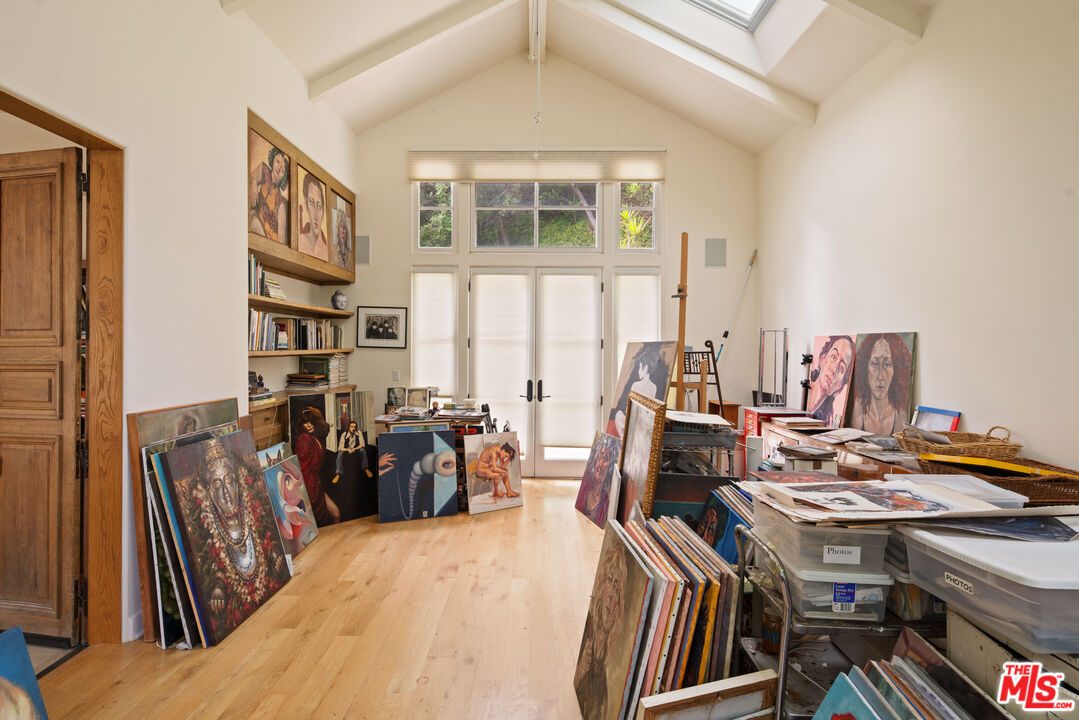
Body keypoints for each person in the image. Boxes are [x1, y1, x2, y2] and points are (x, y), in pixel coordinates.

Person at [574, 541, 628, 718]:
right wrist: (580, 671)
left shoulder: (609, 670)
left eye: (616, 588)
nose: (611, 594)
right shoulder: (588, 632)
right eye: (609, 581)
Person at [849, 333, 912, 434]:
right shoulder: (857, 410)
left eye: (887, 364)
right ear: (865, 367)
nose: (880, 376)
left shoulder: (900, 416)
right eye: (874, 364)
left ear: (896, 370)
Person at [292, 406, 340, 525]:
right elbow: (302, 470)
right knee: (318, 523)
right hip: (308, 487)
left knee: (336, 514)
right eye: (305, 422)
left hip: (316, 485)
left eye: (311, 421)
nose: (309, 425)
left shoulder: (314, 438)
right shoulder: (304, 439)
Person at [807, 336, 855, 427]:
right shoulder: (803, 395)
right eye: (833, 357)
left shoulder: (828, 421)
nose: (834, 369)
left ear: (840, 384)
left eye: (841, 368)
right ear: (823, 358)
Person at [249, 146, 288, 244]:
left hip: (268, 242)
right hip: (255, 224)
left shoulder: (281, 204)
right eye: (278, 162)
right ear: (272, 161)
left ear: (284, 176)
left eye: (283, 169)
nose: (279, 167)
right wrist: (254, 183)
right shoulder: (264, 171)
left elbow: (281, 243)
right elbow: (252, 178)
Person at [298, 173, 328, 261]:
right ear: (306, 205)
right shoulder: (299, 242)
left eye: (319, 206)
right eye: (311, 203)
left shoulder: (326, 253)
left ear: (323, 210)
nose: (315, 215)